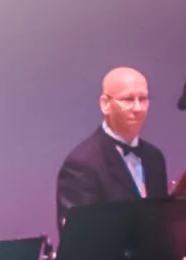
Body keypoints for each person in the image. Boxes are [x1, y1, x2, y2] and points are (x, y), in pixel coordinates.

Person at [56, 67, 170, 227]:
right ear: (105, 104)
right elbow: (79, 240)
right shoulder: (82, 164)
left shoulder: (154, 157)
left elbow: (163, 225)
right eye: (128, 99)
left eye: (143, 99)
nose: (138, 108)